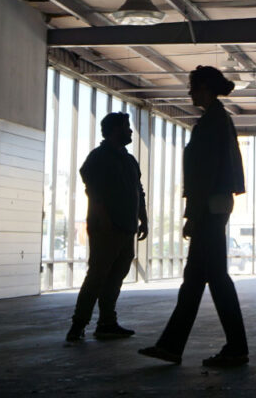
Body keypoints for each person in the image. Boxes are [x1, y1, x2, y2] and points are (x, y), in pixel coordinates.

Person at [139, 66, 249, 368]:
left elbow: (204, 174)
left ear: (204, 88)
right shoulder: (219, 119)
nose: (190, 93)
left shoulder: (211, 122)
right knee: (195, 280)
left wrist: (193, 214)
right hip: (216, 205)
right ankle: (172, 345)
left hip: (209, 208)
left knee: (215, 278)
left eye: (193, 87)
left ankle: (236, 348)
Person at [66, 112, 148, 342]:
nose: (130, 131)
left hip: (126, 227)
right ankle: (78, 325)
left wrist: (144, 219)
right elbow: (93, 191)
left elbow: (138, 192)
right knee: (97, 276)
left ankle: (107, 323)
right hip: (107, 229)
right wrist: (104, 221)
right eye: (126, 127)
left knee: (114, 278)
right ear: (114, 130)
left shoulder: (129, 160)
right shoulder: (100, 157)